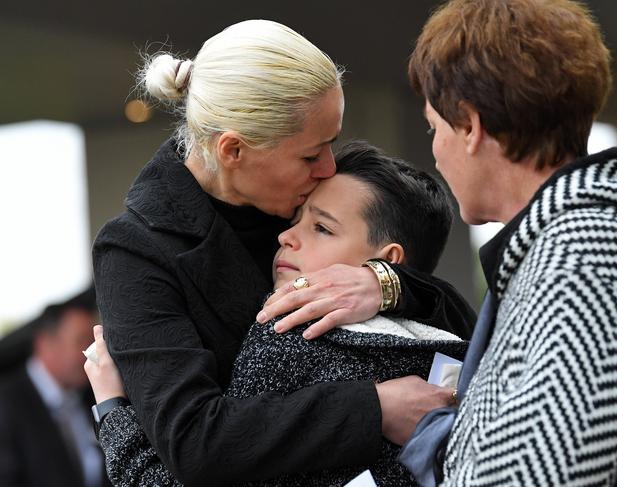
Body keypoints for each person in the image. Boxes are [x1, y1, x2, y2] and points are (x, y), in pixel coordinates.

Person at [92, 20, 475, 486]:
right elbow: (194, 442)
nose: (330, 168)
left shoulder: (304, 197)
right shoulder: (136, 251)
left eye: (332, 142)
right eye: (311, 155)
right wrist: (374, 406)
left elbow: (463, 338)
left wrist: (386, 282)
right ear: (234, 150)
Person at [399, 0, 617, 485]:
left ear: (470, 126)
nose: (434, 149)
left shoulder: (585, 261)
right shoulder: (575, 243)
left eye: (435, 127)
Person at [0, 288, 111, 487]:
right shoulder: (6, 404)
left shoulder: (89, 395)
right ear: (45, 344)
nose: (89, 354)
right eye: (81, 342)